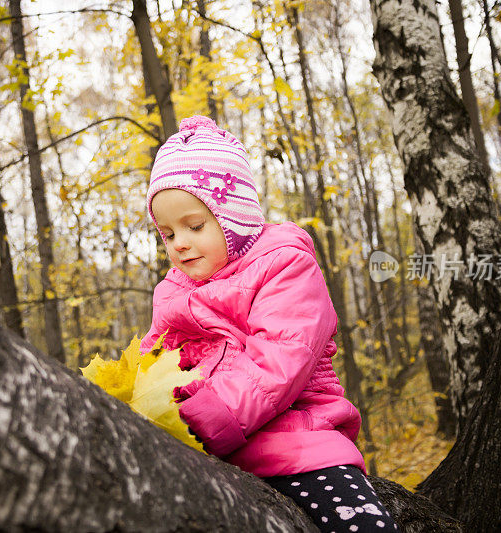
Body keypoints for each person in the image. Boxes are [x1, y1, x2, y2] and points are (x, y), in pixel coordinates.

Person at [140, 115, 397, 532]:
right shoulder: (172, 291)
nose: (180, 243)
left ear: (234, 216)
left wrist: (209, 414)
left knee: (359, 525)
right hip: (206, 451)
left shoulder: (285, 265)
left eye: (194, 225)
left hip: (297, 438)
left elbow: (281, 356)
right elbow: (151, 361)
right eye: (167, 234)